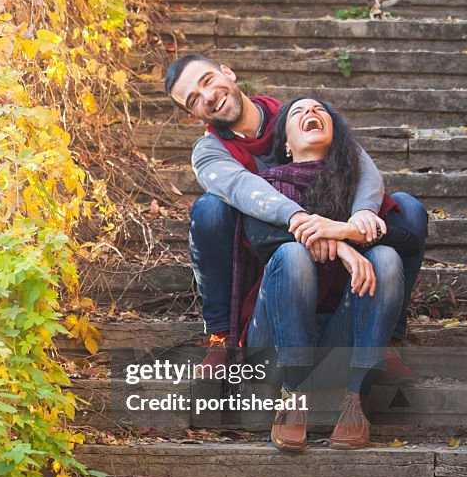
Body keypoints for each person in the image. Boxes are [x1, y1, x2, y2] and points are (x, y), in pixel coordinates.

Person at [163, 55, 428, 384]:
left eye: (207, 81)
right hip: (266, 260)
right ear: (193, 114)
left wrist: (360, 216)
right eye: (194, 100)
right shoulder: (210, 151)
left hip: (334, 263)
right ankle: (222, 338)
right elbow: (246, 190)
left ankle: (387, 336)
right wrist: (314, 227)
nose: (208, 96)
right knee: (209, 209)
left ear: (227, 72)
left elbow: (356, 160)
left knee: (407, 210)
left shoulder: (297, 114)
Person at [236, 98, 421, 451]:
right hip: (273, 341)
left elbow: (409, 242)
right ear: (286, 145)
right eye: (298, 112)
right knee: (291, 252)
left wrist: (343, 229)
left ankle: (356, 397)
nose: (311, 113)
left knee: (385, 257)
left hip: (340, 337)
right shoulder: (265, 187)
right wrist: (344, 247)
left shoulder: (359, 194)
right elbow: (263, 240)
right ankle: (292, 395)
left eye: (320, 110)